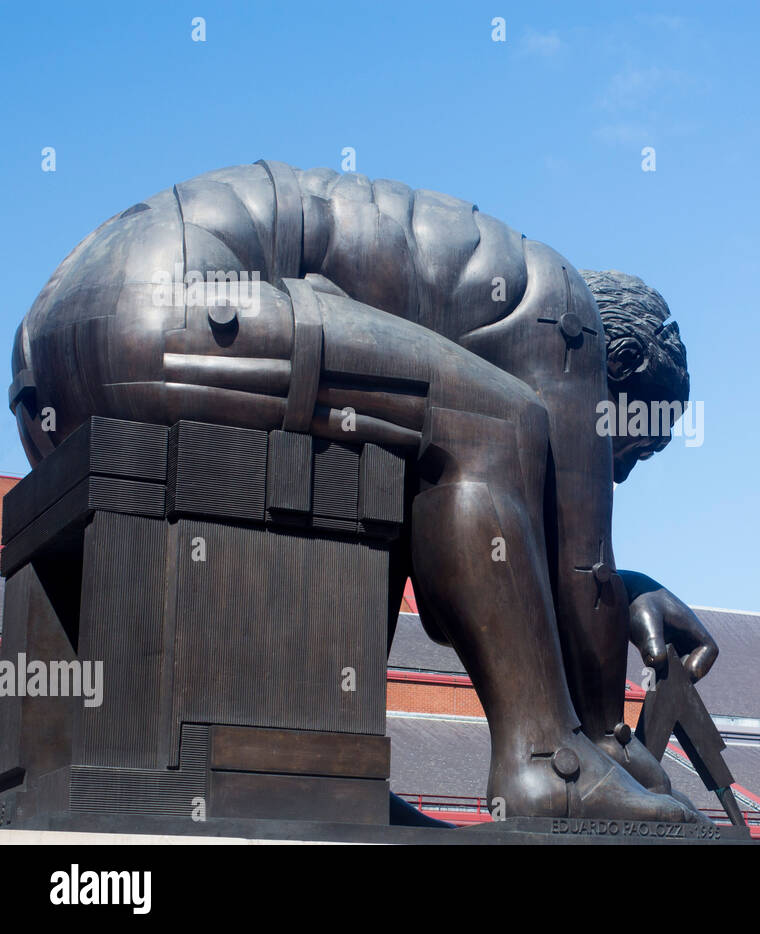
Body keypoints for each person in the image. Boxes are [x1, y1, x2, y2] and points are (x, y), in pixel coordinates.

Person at [10, 161, 717, 821]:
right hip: (173, 301)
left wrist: (625, 591)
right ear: (620, 366)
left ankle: (319, 779)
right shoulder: (566, 315)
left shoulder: (482, 288)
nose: (615, 472)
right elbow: (577, 563)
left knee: (416, 439)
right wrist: (610, 742)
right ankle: (550, 766)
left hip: (50, 346)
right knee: (495, 424)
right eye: (631, 446)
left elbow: (476, 553)